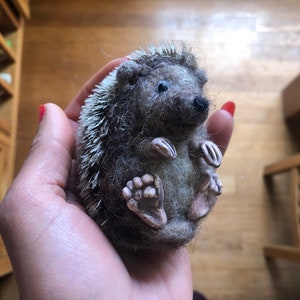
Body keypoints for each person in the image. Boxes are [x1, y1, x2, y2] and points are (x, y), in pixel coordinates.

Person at [0, 58, 235, 299]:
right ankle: (153, 208)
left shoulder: (192, 133)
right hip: (141, 177)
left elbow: (193, 145)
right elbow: (125, 150)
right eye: (163, 88)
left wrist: (200, 148)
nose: (193, 100)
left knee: (201, 166)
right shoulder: (127, 120)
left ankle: (188, 204)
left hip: (178, 201)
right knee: (128, 175)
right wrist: (149, 147)